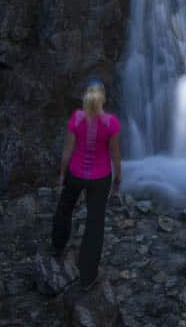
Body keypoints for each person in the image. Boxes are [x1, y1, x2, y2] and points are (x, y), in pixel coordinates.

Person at [51, 77, 121, 291]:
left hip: (76, 173)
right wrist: (118, 180)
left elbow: (67, 152)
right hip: (100, 178)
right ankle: (88, 275)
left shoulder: (77, 118)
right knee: (95, 223)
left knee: (65, 208)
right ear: (103, 98)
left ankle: (58, 246)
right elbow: (115, 156)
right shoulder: (111, 123)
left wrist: (62, 175)